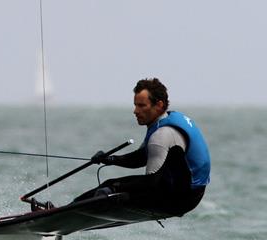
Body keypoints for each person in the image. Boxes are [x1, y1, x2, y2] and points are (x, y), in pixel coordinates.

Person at [74, 78, 210, 216]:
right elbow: (141, 158)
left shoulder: (162, 134)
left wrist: (115, 189)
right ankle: (67, 209)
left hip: (181, 199)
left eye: (141, 105)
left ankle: (68, 214)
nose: (135, 111)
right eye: (135, 105)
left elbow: (151, 182)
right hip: (186, 191)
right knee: (110, 186)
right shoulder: (165, 120)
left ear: (159, 105)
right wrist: (110, 159)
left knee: (110, 191)